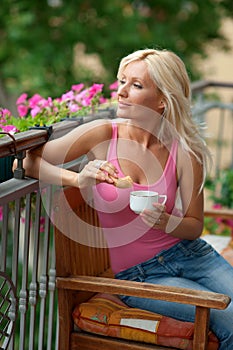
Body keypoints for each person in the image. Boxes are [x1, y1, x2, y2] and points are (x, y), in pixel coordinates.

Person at [20, 48, 233, 348]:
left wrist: (166, 221)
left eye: (135, 85)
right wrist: (77, 179)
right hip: (140, 276)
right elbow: (26, 164)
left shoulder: (185, 151)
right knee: (230, 321)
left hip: (193, 256)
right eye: (121, 81)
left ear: (162, 100)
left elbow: (194, 226)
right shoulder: (104, 134)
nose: (120, 92)